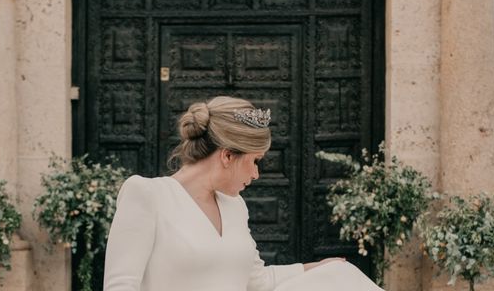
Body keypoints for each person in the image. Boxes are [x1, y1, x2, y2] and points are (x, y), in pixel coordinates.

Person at [103, 96, 384, 291]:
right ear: (227, 155)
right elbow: (120, 286)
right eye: (254, 161)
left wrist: (317, 267)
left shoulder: (235, 206)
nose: (256, 175)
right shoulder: (147, 194)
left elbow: (257, 282)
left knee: (341, 275)